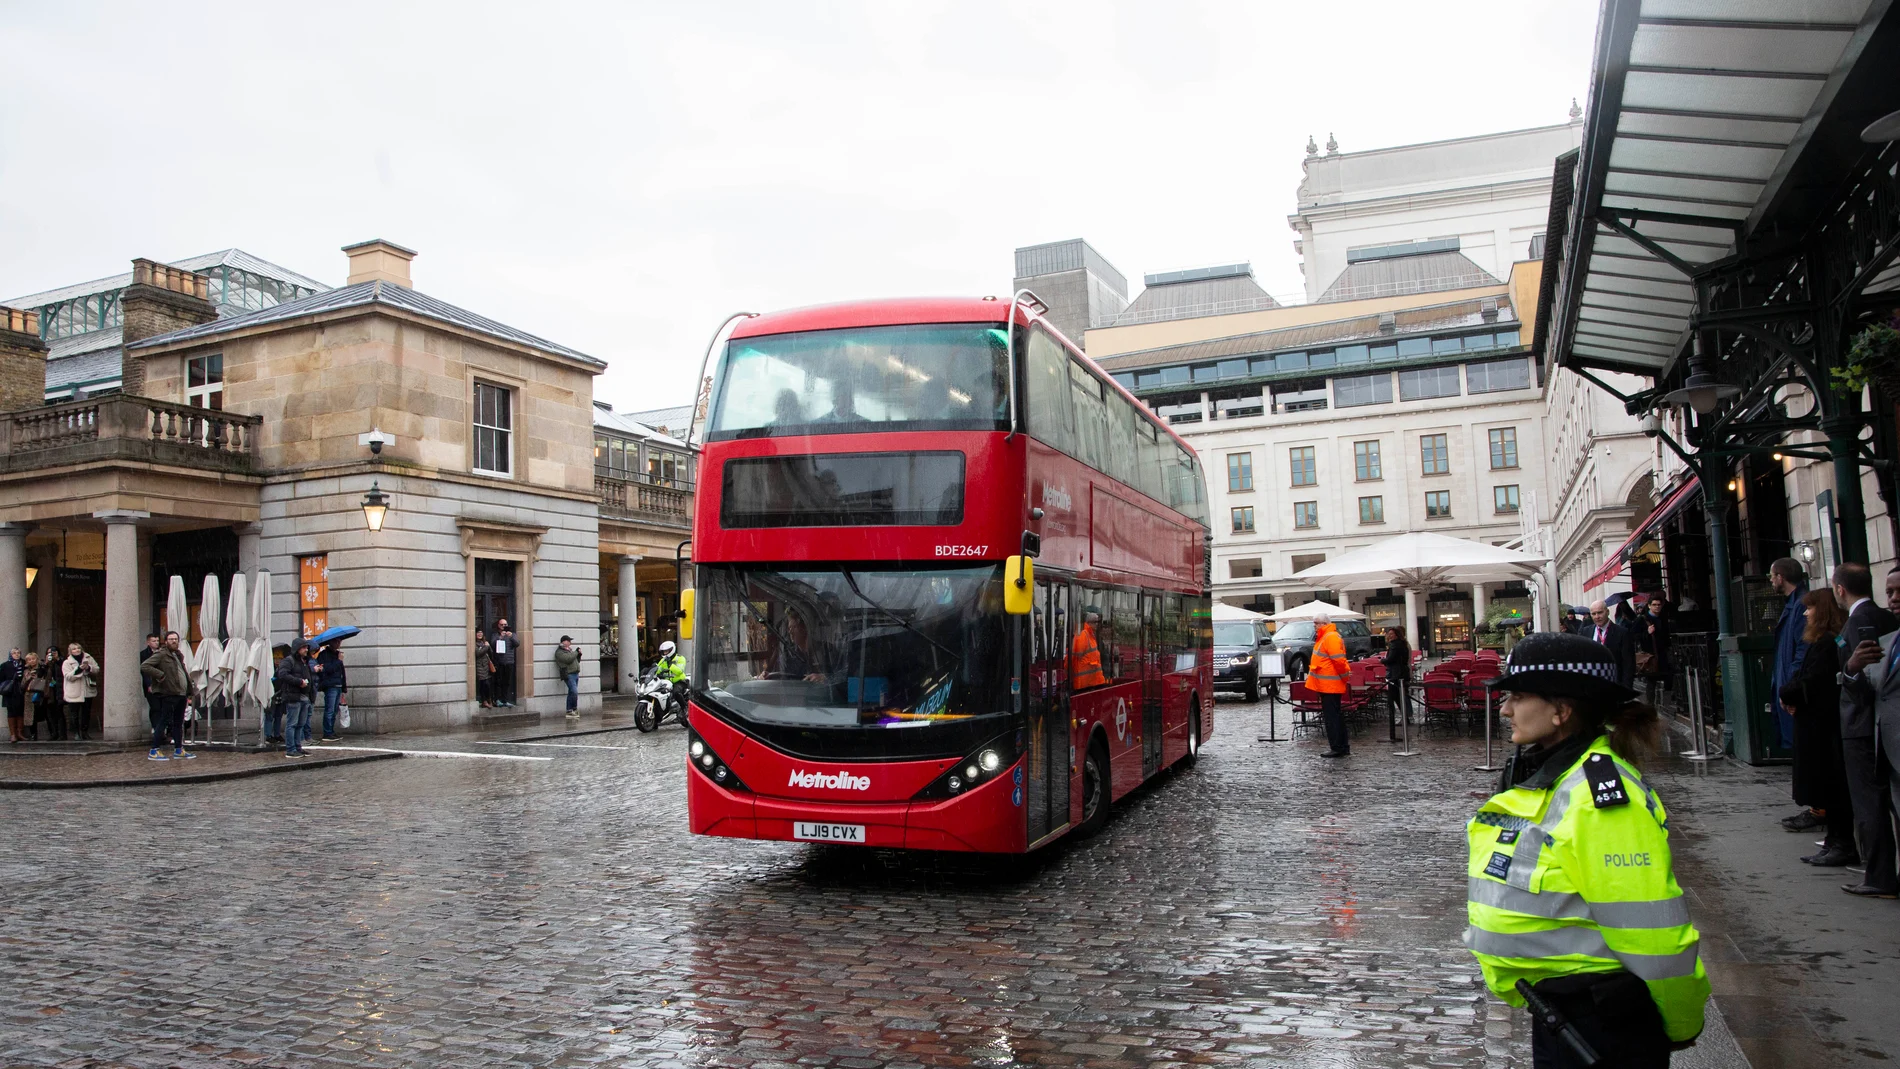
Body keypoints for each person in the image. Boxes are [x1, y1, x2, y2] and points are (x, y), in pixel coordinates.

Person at [1465, 632, 1708, 1066]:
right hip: (1564, 1013)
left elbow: (1654, 936)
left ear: (1561, 710)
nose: (1504, 709)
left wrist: (1678, 1024)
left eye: (1518, 697)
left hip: (1605, 1019)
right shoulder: (1554, 775)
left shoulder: (1601, 799)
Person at [1779, 589, 1854, 866]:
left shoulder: (1827, 643)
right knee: (1827, 784)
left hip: (1823, 725)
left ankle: (1841, 843)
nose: (1806, 613)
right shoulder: (1821, 641)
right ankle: (1834, 841)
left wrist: (1789, 694)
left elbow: (1814, 681)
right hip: (1815, 722)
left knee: (1831, 784)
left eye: (1810, 609)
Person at [1839, 564, 1900, 897]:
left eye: (1897, 591)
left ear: (1840, 589)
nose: (1892, 599)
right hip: (1880, 731)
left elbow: (1868, 689)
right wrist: (1851, 670)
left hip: (1870, 731)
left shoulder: (1861, 621)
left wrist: (1850, 672)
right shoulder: (1890, 629)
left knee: (1871, 805)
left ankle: (1880, 877)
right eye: (1889, 591)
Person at [1767, 558, 1809, 759]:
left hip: (1793, 687)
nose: (1771, 581)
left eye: (1772, 576)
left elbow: (1803, 648)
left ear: (1780, 577)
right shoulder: (1793, 605)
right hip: (1786, 682)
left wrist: (1791, 685)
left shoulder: (1802, 605)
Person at [138, 631, 198, 762]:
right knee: (163, 721)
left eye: (176, 639)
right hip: (169, 693)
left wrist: (189, 690)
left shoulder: (178, 655)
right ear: (166, 641)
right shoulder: (161, 654)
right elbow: (145, 666)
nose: (174, 641)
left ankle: (178, 749)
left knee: (178, 722)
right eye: (171, 639)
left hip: (181, 693)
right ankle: (154, 749)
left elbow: (182, 673)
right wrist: (160, 675)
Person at [1308, 613, 1350, 758]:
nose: (1314, 626)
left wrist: (1344, 677)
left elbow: (1339, 661)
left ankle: (1337, 747)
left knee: (1332, 718)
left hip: (1330, 684)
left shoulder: (1329, 637)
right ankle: (1341, 746)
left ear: (1324, 623)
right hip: (1328, 684)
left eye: (1317, 623)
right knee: (1336, 716)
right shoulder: (1327, 636)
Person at [274, 640, 316, 758]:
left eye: (306, 647)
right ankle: (290, 749)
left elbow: (309, 679)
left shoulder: (305, 662)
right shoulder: (289, 661)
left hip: (304, 697)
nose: (306, 650)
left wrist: (311, 695)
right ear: (297, 649)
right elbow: (282, 674)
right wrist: (299, 682)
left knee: (300, 724)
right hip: (293, 696)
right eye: (303, 648)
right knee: (292, 724)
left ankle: (298, 747)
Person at [1585, 600, 1636, 688]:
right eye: (1593, 614)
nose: (1597, 617)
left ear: (1607, 612)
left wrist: (1626, 688)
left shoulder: (1622, 633)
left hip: (1614, 684)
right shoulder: (1585, 632)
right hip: (1591, 685)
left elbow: (1628, 663)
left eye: (1600, 613)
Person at [61, 642, 99, 741]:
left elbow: (96, 669)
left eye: (78, 648)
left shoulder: (88, 658)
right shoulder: (67, 662)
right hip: (74, 690)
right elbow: (68, 676)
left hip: (87, 689)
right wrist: (79, 669)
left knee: (86, 712)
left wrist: (89, 668)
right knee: (74, 713)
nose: (77, 650)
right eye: (74, 649)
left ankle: (85, 732)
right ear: (70, 651)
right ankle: (76, 733)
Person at [313, 642, 348, 742]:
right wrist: (338, 661)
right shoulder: (324, 655)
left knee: (334, 710)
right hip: (330, 685)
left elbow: (342, 671)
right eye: (336, 641)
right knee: (330, 709)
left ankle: (331, 731)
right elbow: (327, 669)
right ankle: (327, 732)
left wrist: (344, 686)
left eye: (340, 642)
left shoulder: (337, 654)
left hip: (338, 684)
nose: (338, 644)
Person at [1383, 626, 1411, 742]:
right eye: (1388, 634)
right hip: (1401, 674)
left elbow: (1391, 659)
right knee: (1401, 697)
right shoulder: (1402, 644)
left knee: (1396, 697)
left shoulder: (1395, 645)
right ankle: (1405, 717)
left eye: (1392, 634)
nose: (1389, 636)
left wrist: (1382, 660)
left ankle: (1399, 719)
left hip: (1396, 675)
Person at [1071, 606, 1107, 691]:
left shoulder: (1091, 635)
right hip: (1085, 684)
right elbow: (1074, 658)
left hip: (1093, 682)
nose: (1097, 624)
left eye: (1097, 622)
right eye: (1095, 622)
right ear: (1089, 622)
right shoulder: (1083, 635)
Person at [139, 633, 165, 751]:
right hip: (151, 685)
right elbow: (144, 671)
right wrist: (148, 684)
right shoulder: (144, 655)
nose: (156, 642)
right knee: (155, 707)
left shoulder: (163, 653)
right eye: (153, 641)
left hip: (163, 685)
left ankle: (162, 729)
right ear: (148, 642)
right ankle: (156, 728)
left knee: (163, 707)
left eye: (157, 640)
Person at [554, 635, 583, 718]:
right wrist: (576, 652)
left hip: (575, 674)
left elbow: (575, 660)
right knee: (574, 692)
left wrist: (578, 655)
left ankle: (569, 711)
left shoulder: (569, 651)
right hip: (569, 674)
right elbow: (568, 659)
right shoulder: (559, 652)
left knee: (571, 692)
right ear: (564, 642)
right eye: (569, 641)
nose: (570, 642)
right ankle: (573, 709)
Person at [492, 619, 518, 708]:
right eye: (502, 624)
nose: (503, 626)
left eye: (505, 624)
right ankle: (497, 699)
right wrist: (500, 638)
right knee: (498, 682)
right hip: (499, 661)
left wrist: (511, 637)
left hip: (509, 661)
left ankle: (505, 700)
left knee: (506, 682)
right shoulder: (495, 635)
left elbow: (517, 644)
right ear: (498, 625)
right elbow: (493, 644)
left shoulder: (512, 634)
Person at [21, 652, 46, 740]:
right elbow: (23, 685)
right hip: (29, 694)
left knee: (39, 714)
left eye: (33, 659)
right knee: (31, 716)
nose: (32, 661)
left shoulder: (42, 668)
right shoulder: (26, 671)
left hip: (39, 693)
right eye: (29, 659)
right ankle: (33, 734)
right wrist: (29, 678)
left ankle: (47, 733)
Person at [474, 629, 494, 708]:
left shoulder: (485, 642)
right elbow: (478, 653)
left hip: (486, 666)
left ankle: (489, 700)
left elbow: (491, 653)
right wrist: (486, 646)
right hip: (480, 666)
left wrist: (488, 646)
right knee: (483, 684)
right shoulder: (475, 644)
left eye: (481, 633)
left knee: (487, 685)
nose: (479, 634)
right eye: (478, 632)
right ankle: (484, 701)